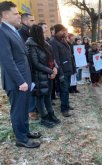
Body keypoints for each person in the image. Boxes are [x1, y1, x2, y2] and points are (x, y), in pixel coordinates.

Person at [0, 1, 41, 148]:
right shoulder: (2, 32)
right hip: (17, 82)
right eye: (16, 13)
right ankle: (21, 139)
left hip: (23, 80)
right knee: (18, 111)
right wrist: (21, 81)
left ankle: (25, 132)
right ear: (5, 15)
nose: (19, 16)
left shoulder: (11, 30)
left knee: (24, 109)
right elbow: (7, 61)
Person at [26, 25, 60, 128]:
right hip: (38, 76)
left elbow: (52, 58)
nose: (44, 33)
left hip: (48, 75)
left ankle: (51, 114)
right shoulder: (31, 45)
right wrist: (51, 71)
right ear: (37, 33)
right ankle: (44, 118)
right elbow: (35, 63)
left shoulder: (45, 43)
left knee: (48, 96)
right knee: (40, 98)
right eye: (42, 32)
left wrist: (55, 68)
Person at [49, 24, 75, 117]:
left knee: (66, 89)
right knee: (64, 90)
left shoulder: (63, 40)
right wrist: (60, 74)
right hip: (62, 71)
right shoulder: (53, 42)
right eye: (62, 31)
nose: (64, 32)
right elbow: (56, 60)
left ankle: (66, 104)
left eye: (65, 31)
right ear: (57, 31)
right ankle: (64, 109)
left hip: (68, 69)